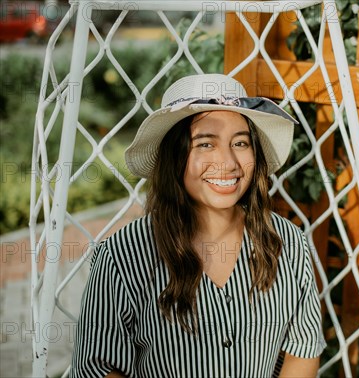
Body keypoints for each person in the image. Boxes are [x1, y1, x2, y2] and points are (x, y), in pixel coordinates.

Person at [71, 74, 327, 377]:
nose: (228, 162)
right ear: (175, 156)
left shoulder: (288, 243)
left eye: (240, 142)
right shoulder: (122, 256)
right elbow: (99, 367)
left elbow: (302, 351)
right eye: (205, 144)